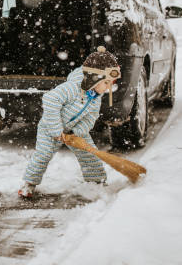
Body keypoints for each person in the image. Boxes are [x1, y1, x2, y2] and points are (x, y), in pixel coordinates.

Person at [19, 46, 120, 198]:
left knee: (89, 153)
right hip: (50, 128)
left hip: (73, 130)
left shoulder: (95, 99)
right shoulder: (72, 88)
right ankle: (29, 184)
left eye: (111, 84)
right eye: (106, 83)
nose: (108, 88)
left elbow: (90, 119)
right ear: (94, 78)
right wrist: (56, 130)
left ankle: (97, 182)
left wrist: (75, 133)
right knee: (43, 155)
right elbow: (50, 99)